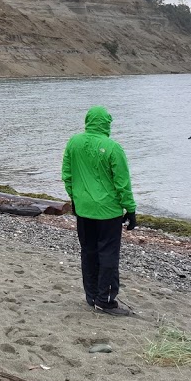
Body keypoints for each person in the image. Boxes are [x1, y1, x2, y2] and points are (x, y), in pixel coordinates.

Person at [61, 105, 137, 316]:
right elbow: (122, 183)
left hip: (83, 210)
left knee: (89, 252)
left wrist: (75, 198)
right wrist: (130, 209)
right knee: (108, 254)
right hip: (108, 212)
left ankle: (92, 295)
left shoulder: (73, 143)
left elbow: (67, 175)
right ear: (106, 123)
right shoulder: (113, 148)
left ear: (88, 121)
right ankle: (105, 300)